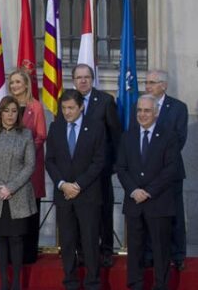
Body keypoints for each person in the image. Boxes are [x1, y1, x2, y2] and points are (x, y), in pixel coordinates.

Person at [117, 95, 179, 290]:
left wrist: (148, 191)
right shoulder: (128, 136)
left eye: (147, 111)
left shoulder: (169, 136)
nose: (142, 115)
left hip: (159, 203)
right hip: (134, 203)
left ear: (156, 113)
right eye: (139, 111)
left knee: (160, 251)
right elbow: (121, 167)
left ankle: (161, 286)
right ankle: (135, 285)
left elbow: (171, 169)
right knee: (134, 250)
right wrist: (134, 190)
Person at [46, 89, 106, 290]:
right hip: (64, 195)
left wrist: (78, 185)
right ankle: (70, 281)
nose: (67, 112)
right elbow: (50, 161)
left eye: (71, 108)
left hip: (87, 195)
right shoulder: (55, 127)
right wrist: (63, 184)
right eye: (64, 108)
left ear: (81, 107)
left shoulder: (96, 127)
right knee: (68, 241)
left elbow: (99, 162)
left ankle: (92, 283)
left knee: (89, 242)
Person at [0, 96, 36, 290]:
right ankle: (4, 281)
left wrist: (10, 187)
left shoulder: (26, 134)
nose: (10, 115)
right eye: (6, 110)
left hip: (18, 195)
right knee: (0, 238)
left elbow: (30, 165)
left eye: (13, 111)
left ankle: (17, 282)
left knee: (17, 238)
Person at [67, 64, 121, 267]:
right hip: (76, 170)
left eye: (86, 77)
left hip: (101, 170)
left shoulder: (105, 101)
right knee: (79, 212)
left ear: (92, 79)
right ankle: (81, 250)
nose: (83, 81)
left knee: (103, 210)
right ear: (73, 80)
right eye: (79, 77)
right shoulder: (68, 101)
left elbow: (115, 135)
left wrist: (114, 165)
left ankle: (106, 249)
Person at [140, 69, 188, 271]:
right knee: (149, 215)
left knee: (173, 215)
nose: (148, 86)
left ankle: (177, 255)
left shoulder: (178, 108)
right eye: (147, 82)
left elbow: (179, 140)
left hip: (170, 172)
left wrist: (158, 161)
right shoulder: (141, 106)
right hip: (145, 172)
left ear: (164, 85)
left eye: (152, 82)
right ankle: (150, 254)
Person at [6, 68, 47, 263]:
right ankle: (10, 253)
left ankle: (29, 254)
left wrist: (26, 154)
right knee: (11, 211)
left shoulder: (36, 106)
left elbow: (41, 136)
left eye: (18, 82)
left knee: (30, 209)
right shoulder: (6, 106)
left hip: (31, 167)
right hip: (8, 168)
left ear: (26, 84)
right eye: (12, 82)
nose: (14, 85)